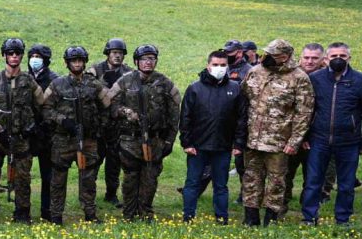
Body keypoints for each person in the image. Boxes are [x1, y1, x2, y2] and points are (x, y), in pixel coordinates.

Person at [301, 43, 362, 226]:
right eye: (334, 56)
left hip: (349, 142)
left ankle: (343, 219)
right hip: (319, 140)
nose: (338, 59)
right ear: (326, 59)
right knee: (313, 181)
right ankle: (309, 217)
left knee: (346, 184)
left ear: (349, 58)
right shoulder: (315, 79)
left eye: (342, 56)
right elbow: (306, 110)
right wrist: (303, 136)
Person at [240, 38, 313, 226]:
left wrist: (294, 141)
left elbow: (304, 112)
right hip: (252, 138)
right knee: (251, 178)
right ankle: (250, 219)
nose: (268, 57)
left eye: (273, 55)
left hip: (279, 141)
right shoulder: (255, 71)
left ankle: (271, 219)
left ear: (285, 56)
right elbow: (243, 99)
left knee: (276, 182)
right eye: (267, 53)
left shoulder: (299, 78)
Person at [106, 44, 180, 222]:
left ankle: (146, 212)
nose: (148, 62)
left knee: (150, 177)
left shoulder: (164, 83)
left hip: (155, 140)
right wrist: (126, 112)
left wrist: (169, 141)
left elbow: (174, 114)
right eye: (144, 59)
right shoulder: (125, 81)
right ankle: (129, 213)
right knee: (130, 178)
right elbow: (110, 106)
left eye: (151, 59)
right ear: (136, 61)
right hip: (129, 140)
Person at [0, 39, 44, 225]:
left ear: (22, 55)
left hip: (21, 139)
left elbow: (42, 106)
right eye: (10, 53)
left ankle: (22, 213)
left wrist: (32, 126)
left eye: (17, 53)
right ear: (4, 55)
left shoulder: (29, 81)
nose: (14, 56)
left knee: (23, 178)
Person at [42, 46, 109, 224]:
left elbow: (107, 107)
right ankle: (56, 215)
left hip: (88, 140)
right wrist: (62, 120)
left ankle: (90, 214)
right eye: (73, 61)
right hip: (63, 140)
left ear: (85, 62)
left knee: (88, 179)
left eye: (80, 60)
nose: (77, 64)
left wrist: (99, 128)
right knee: (58, 180)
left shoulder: (94, 84)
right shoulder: (57, 84)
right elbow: (46, 109)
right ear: (67, 63)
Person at [178, 50, 247, 224]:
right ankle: (188, 217)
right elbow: (185, 117)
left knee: (221, 185)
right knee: (192, 183)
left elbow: (242, 118)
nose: (219, 68)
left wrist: (238, 143)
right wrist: (187, 143)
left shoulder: (235, 88)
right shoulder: (195, 88)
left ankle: (222, 218)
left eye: (223, 65)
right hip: (198, 146)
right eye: (215, 65)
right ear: (208, 66)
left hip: (223, 146)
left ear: (228, 66)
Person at [282, 42, 329, 215]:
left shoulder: (328, 79)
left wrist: (307, 136)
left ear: (323, 59)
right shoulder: (291, 75)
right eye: (306, 57)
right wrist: (297, 137)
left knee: (313, 177)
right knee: (285, 174)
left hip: (316, 137)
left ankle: (308, 211)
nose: (310, 61)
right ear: (300, 58)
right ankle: (281, 207)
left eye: (314, 58)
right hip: (290, 135)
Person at [87, 38, 131, 208]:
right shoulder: (95, 70)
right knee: (94, 161)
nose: (117, 56)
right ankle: (89, 195)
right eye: (114, 53)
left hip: (118, 125)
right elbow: (87, 86)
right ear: (108, 54)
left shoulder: (128, 73)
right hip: (98, 124)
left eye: (120, 53)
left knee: (114, 163)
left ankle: (111, 194)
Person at [27, 43, 57, 222]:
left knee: (48, 175)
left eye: (38, 57)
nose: (35, 60)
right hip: (27, 133)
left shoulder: (54, 80)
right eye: (32, 56)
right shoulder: (23, 78)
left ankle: (47, 209)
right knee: (23, 174)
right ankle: (23, 210)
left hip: (47, 134)